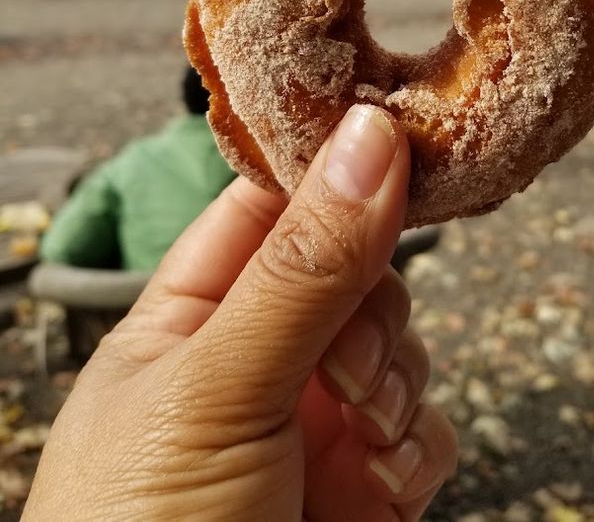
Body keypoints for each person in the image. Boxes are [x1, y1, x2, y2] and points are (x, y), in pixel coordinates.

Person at [24, 105, 458, 520]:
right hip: (315, 348)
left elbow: (60, 248)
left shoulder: (141, 161)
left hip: (167, 342)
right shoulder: (293, 155)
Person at [40, 67, 235, 271]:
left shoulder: (134, 159)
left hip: (139, 295)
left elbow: (61, 247)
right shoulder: (264, 167)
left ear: (186, 98)